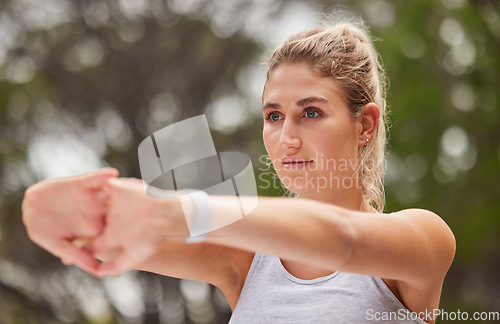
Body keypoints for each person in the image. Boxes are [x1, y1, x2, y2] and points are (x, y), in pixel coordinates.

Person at [22, 20, 455, 324]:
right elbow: (99, 234)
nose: (287, 137)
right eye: (273, 116)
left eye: (310, 112)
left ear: (365, 125)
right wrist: (43, 208)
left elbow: (344, 239)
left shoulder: (422, 238)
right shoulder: (245, 259)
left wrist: (174, 212)